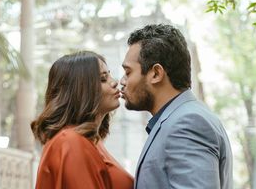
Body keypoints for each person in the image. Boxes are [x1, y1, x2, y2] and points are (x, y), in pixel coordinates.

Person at [120, 24, 233, 189]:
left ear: (156, 73)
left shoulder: (187, 123)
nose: (122, 81)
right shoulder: (179, 119)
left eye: (128, 72)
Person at [32, 51, 134, 189]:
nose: (115, 82)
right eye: (103, 79)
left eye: (109, 75)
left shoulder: (89, 141)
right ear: (81, 89)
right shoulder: (70, 141)